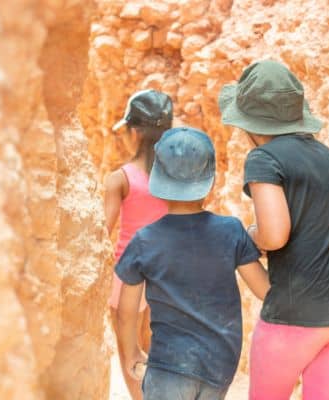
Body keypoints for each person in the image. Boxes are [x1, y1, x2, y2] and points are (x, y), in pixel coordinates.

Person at [218, 60, 329, 400]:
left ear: (249, 123)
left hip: (298, 316)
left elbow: (275, 233)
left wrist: (250, 235)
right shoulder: (326, 155)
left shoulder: (264, 159)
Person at [115, 127, 270, 400]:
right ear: (210, 182)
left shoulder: (145, 240)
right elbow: (264, 290)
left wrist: (132, 352)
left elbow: (126, 312)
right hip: (220, 363)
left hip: (168, 366)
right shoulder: (231, 231)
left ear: (158, 182)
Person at [104, 89, 173, 400]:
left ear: (133, 131)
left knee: (130, 353)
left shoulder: (119, 179)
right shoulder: (177, 179)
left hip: (127, 274)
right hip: (166, 274)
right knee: (157, 350)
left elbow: (103, 232)